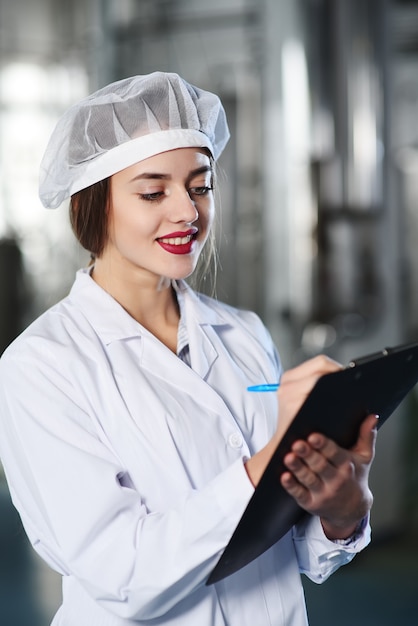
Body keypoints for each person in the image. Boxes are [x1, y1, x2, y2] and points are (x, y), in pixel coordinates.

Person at [0, 71, 378, 626]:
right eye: (153, 191)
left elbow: (289, 549)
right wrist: (266, 463)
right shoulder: (41, 367)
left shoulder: (243, 333)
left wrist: (341, 510)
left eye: (200, 186)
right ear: (93, 204)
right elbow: (123, 575)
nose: (187, 212)